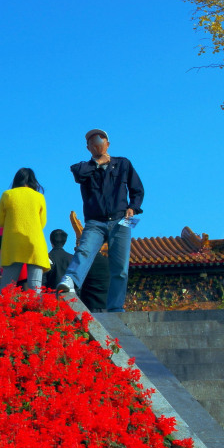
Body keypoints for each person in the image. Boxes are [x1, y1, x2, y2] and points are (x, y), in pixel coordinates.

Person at [57, 129, 144, 313]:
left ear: (108, 144)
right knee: (85, 250)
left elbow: (137, 188)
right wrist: (97, 163)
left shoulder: (123, 164)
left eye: (100, 140)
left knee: (120, 267)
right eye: (92, 142)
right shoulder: (83, 167)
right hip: (95, 221)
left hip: (121, 220)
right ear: (88, 148)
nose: (97, 144)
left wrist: (133, 207)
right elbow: (78, 175)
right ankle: (70, 280)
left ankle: (116, 307)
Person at [0, 168, 50, 292]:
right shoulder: (39, 197)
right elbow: (42, 223)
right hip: (35, 244)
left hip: (13, 245)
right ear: (32, 181)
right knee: (35, 289)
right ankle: (36, 310)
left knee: (7, 289)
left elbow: (0, 221)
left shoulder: (7, 195)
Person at [45, 228, 111, 311]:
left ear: (51, 241)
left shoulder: (47, 258)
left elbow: (43, 281)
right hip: (73, 301)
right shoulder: (73, 259)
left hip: (51, 301)